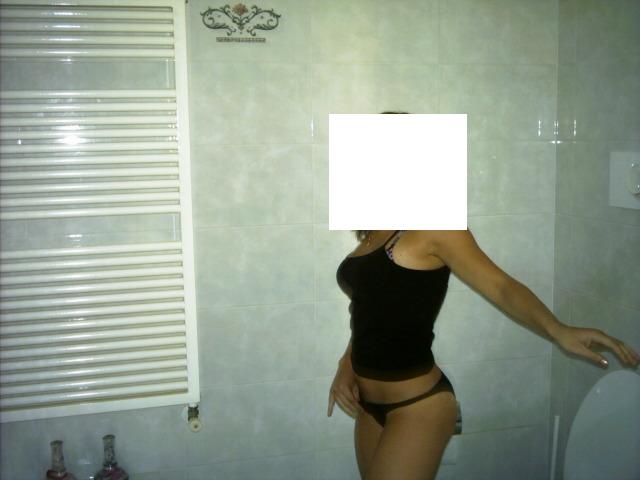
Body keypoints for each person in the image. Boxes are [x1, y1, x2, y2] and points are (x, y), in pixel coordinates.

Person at [327, 229, 639, 480]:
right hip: (368, 408)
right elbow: (373, 310)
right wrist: (346, 365)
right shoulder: (373, 232)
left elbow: (502, 286)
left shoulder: (435, 227)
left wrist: (558, 330)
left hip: (417, 407)